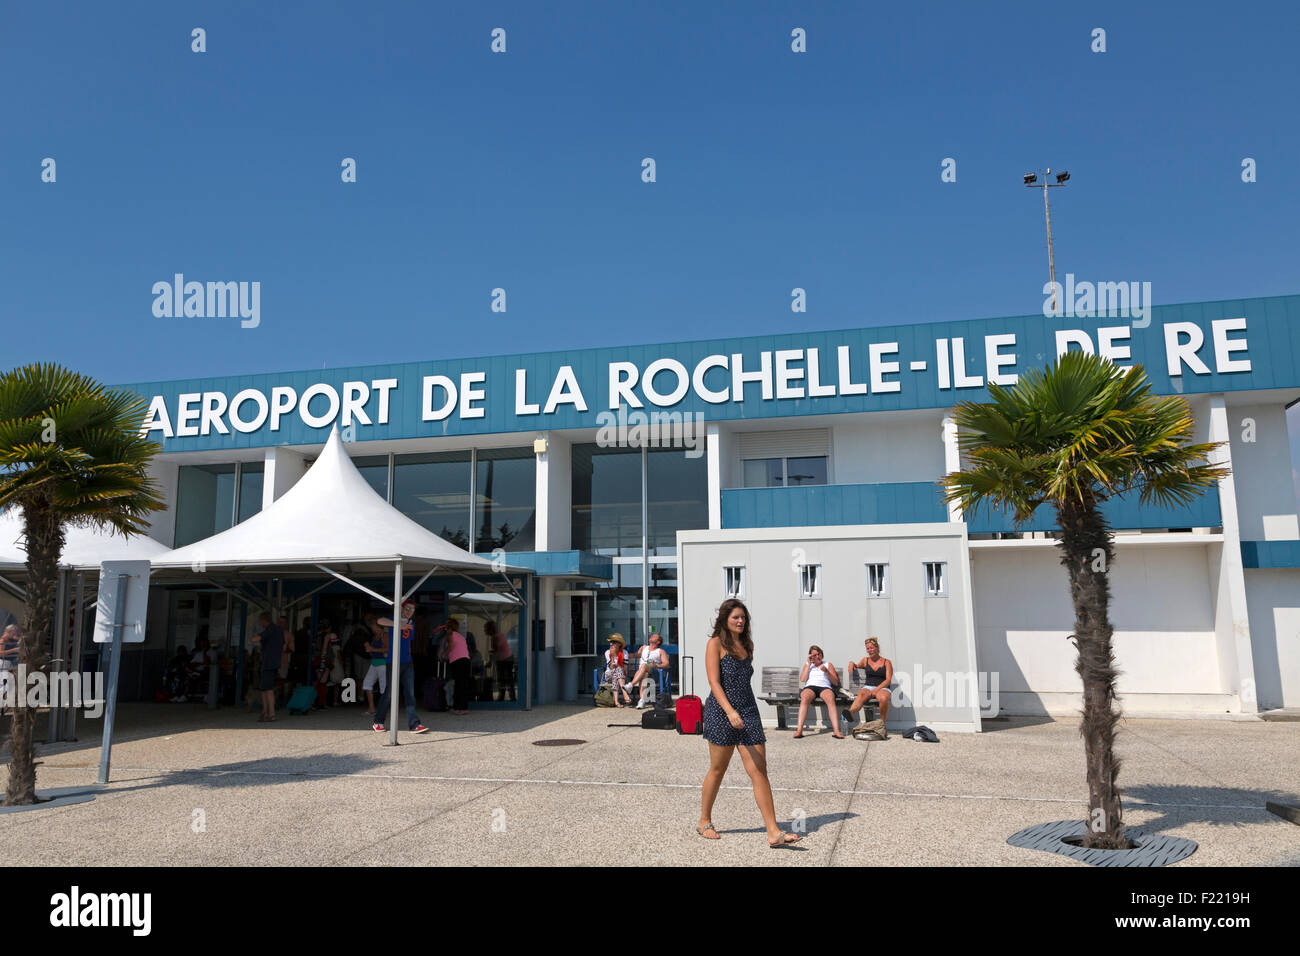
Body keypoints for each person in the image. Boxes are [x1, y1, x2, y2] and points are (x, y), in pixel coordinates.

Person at [698, 599, 800, 848]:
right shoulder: (715, 644)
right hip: (722, 711)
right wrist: (730, 711)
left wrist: (741, 711)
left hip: (748, 710)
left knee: (759, 769)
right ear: (725, 619)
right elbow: (714, 682)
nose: (740, 621)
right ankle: (704, 821)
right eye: (735, 617)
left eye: (743, 617)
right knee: (718, 769)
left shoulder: (746, 645)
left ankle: (773, 831)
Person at [374, 600, 428, 734]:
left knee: (410, 693)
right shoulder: (394, 619)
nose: (410, 611)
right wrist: (398, 624)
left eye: (412, 610)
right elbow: (380, 621)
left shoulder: (412, 623)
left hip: (407, 662)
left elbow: (408, 643)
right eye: (408, 608)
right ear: (402, 609)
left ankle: (414, 724)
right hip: (393, 661)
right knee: (389, 693)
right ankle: (378, 722)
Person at [842, 637, 893, 738]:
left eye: (871, 648)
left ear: (877, 648)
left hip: (882, 687)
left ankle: (882, 725)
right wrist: (852, 663)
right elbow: (856, 665)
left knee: (883, 698)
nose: (869, 650)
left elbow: (888, 680)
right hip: (868, 686)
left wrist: (877, 689)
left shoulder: (886, 662)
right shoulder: (865, 660)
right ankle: (850, 713)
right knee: (862, 694)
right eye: (868, 649)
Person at [793, 645, 843, 738]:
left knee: (830, 699)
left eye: (818, 654)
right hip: (810, 687)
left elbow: (835, 682)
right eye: (814, 655)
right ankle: (799, 730)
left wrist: (826, 671)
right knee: (805, 698)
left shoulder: (828, 664)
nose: (817, 656)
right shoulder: (808, 665)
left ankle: (836, 730)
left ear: (822, 654)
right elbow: (803, 679)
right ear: (811, 656)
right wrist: (808, 664)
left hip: (824, 687)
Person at [252, 612, 286, 722]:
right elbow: (282, 645)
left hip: (268, 662)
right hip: (275, 661)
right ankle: (265, 711)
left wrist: (257, 638)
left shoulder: (269, 630)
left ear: (263, 621)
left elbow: (255, 639)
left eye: (260, 621)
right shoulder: (279, 630)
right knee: (264, 688)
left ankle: (271, 714)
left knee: (268, 688)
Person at [437, 617, 472, 715]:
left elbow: (451, 646)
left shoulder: (450, 633)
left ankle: (457, 708)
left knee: (458, 685)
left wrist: (443, 654)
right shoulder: (460, 636)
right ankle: (464, 708)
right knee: (464, 685)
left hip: (457, 661)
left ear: (449, 627)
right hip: (466, 660)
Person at [628, 630, 668, 709]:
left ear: (658, 642)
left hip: (654, 673)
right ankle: (642, 700)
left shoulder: (660, 651)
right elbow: (635, 655)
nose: (651, 636)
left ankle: (631, 685)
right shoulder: (643, 648)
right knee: (644, 673)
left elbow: (666, 664)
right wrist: (623, 654)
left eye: (654, 636)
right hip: (642, 673)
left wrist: (657, 665)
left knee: (644, 666)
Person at [361, 614, 388, 716]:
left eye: (372, 626)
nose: (371, 628)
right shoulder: (375, 636)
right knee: (367, 684)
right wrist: (369, 648)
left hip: (383, 664)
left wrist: (372, 649)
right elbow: (373, 651)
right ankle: (372, 708)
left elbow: (388, 649)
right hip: (374, 662)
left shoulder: (384, 635)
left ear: (377, 626)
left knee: (383, 687)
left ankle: (383, 709)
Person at [602, 633, 632, 707]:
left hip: (621, 676)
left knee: (617, 673)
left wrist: (617, 661)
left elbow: (625, 669)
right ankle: (625, 693)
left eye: (614, 642)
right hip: (609, 675)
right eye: (611, 642)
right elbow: (611, 667)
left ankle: (616, 701)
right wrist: (613, 656)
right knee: (618, 669)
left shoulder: (624, 653)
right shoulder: (607, 652)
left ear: (619, 644)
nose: (611, 644)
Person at [1, 624, 20, 715]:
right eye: (13, 633)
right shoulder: (3, 640)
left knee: (8, 683)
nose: (14, 635)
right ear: (9, 632)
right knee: (5, 682)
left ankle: (5, 705)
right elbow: (0, 653)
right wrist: (14, 650)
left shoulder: (10, 639)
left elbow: (17, 639)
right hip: (2, 663)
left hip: (8, 663)